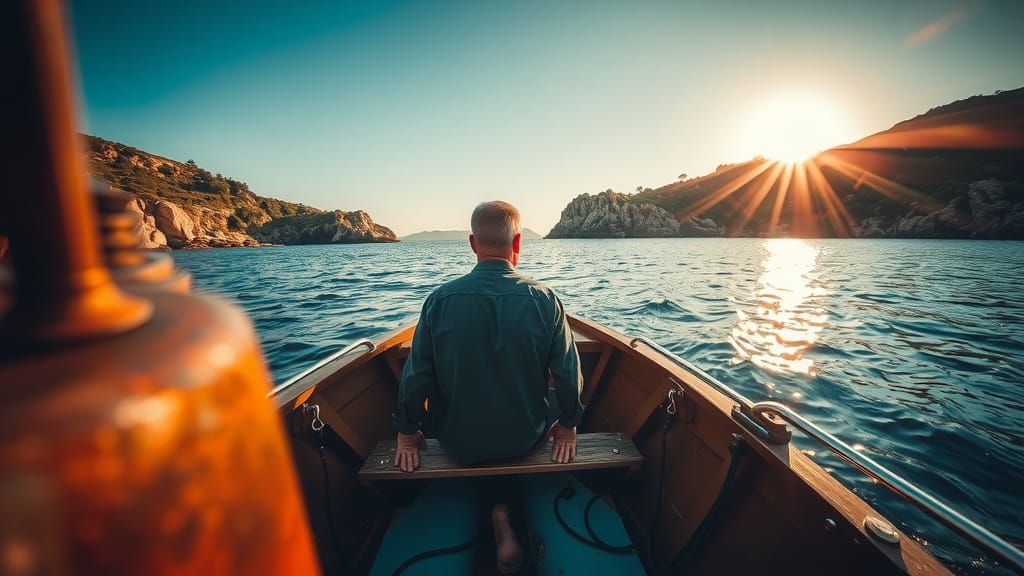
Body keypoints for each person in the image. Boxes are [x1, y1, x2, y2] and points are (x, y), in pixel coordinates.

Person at [393, 200, 584, 574]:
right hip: (524, 438)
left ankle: (495, 512)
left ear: (472, 243)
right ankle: (504, 511)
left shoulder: (438, 301)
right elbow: (567, 373)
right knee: (543, 404)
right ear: (518, 243)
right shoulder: (546, 300)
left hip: (458, 442)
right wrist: (568, 425)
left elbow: (416, 378)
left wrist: (407, 431)